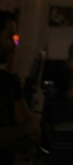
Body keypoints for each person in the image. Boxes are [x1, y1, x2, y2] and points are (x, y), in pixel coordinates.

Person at [0, 10, 40, 165]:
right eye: (10, 37)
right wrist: (24, 130)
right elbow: (30, 127)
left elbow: (32, 137)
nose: (14, 45)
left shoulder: (9, 82)